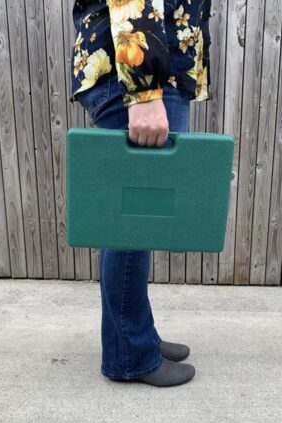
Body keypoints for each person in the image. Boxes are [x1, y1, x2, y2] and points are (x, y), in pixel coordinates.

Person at [70, 0, 212, 387]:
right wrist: (145, 91)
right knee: (131, 222)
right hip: (137, 69)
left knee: (137, 222)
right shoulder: (143, 83)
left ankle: (136, 335)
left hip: (148, 65)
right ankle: (129, 356)